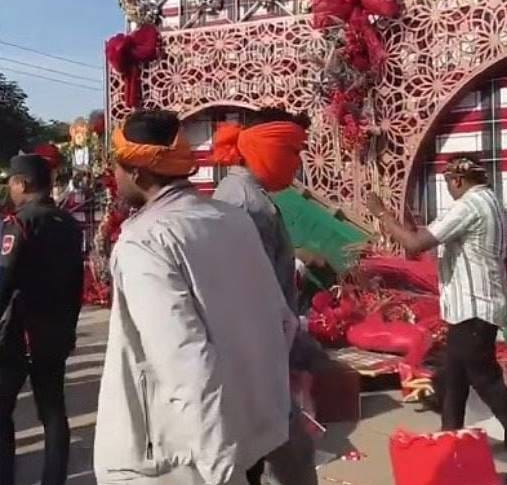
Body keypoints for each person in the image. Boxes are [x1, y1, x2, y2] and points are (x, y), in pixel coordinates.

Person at [94, 110, 296, 485]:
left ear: (137, 173)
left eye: (116, 168)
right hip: (249, 431)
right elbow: (282, 321)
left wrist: (220, 467)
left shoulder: (145, 241)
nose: (114, 178)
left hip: (189, 456)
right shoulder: (232, 218)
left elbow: (183, 359)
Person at [366, 156, 507, 485]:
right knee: (453, 379)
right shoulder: (494, 204)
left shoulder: (469, 206)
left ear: (458, 181)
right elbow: (506, 257)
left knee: (486, 382)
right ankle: (449, 446)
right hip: (476, 307)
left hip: (472, 310)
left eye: (449, 183)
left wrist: (381, 213)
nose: (449, 190)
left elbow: (415, 243)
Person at [212, 108, 320, 485]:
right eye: (291, 151)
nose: (297, 162)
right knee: (285, 457)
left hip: (260, 347)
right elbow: (247, 288)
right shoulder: (247, 205)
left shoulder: (246, 196)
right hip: (254, 349)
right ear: (266, 148)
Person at [0, 154, 84, 485]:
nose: (10, 189)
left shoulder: (20, 223)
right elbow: (77, 283)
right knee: (53, 412)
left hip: (20, 333)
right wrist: (70, 328)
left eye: (11, 183)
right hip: (57, 330)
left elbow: (4, 282)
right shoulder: (69, 224)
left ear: (22, 183)